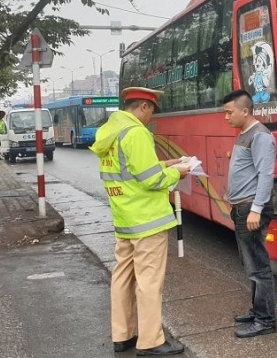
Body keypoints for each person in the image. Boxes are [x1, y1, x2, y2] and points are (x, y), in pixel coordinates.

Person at [89, 87, 190, 356]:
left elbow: (134, 171)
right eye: (151, 111)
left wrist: (170, 162)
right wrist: (177, 173)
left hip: (125, 219)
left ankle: (123, 335)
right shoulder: (136, 133)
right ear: (143, 107)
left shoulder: (111, 133)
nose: (151, 118)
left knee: (122, 277)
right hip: (148, 220)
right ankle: (151, 341)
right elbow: (151, 180)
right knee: (149, 282)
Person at [223, 89, 277, 338]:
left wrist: (255, 210)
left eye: (229, 112)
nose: (226, 117)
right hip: (241, 207)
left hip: (250, 208)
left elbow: (266, 175)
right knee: (250, 264)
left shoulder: (261, 136)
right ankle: (257, 311)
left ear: (245, 111)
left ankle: (265, 321)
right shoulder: (244, 134)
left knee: (259, 266)